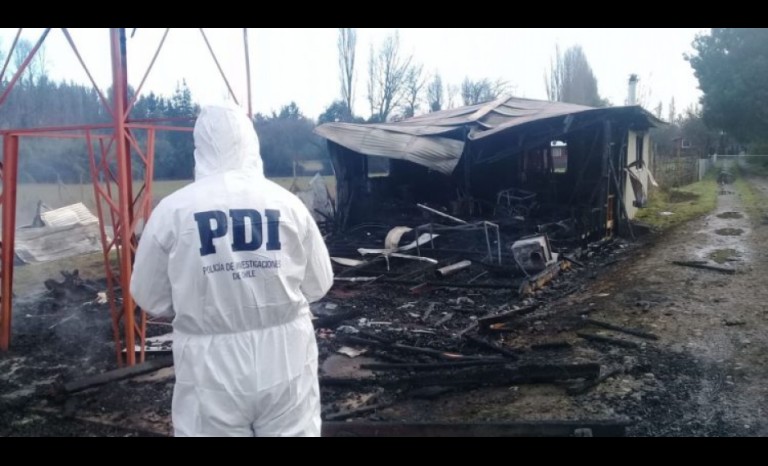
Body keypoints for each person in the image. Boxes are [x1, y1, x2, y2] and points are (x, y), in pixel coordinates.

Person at [130, 103, 334, 437]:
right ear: (251, 143)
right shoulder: (288, 204)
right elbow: (319, 283)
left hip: (209, 365)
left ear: (199, 149)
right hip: (285, 357)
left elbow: (149, 296)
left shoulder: (173, 211)